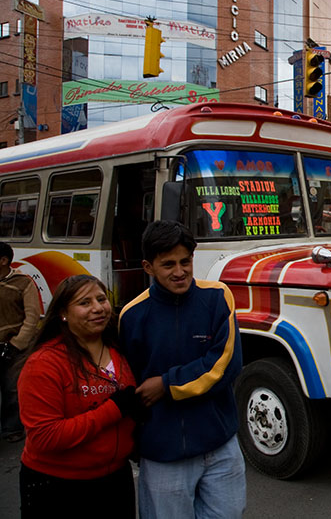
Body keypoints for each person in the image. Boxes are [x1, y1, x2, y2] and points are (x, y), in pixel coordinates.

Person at [119, 220, 245, 518]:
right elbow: (131, 384)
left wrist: (166, 384)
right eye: (168, 264)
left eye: (185, 261)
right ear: (148, 267)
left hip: (221, 447)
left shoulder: (217, 297)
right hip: (163, 454)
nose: (180, 272)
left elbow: (225, 365)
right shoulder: (132, 315)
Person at [17, 275, 138, 517]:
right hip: (57, 487)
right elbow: (45, 437)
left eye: (101, 299)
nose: (97, 308)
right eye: (84, 303)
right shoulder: (44, 363)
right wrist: (114, 409)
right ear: (63, 313)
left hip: (115, 479)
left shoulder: (119, 349)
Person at [0, 242, 41, 443]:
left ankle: (12, 428)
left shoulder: (22, 283)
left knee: (11, 387)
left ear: (4, 261)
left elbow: (32, 318)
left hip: (15, 345)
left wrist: (16, 344)